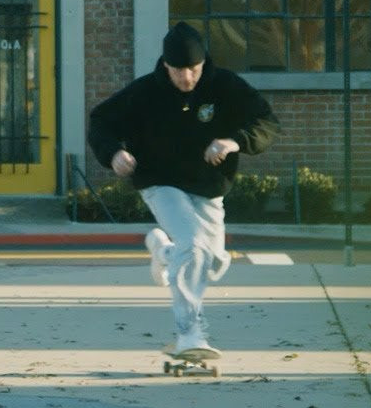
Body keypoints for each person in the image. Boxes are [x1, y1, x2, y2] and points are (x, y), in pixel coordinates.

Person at [87, 21, 278, 355]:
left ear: (204, 62)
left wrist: (235, 142)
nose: (187, 79)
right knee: (192, 246)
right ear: (165, 65)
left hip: (208, 185)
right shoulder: (145, 92)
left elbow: (266, 121)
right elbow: (101, 120)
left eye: (194, 70)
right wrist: (113, 153)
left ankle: (163, 252)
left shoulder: (226, 86)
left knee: (214, 262)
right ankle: (189, 333)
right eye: (178, 71)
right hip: (159, 182)